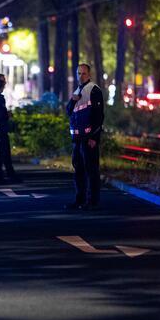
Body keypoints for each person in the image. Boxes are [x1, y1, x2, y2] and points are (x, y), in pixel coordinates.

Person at [66, 63, 104, 210]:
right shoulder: (77, 91)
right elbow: (69, 111)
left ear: (89, 75)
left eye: (83, 73)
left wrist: (95, 137)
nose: (80, 76)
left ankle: (92, 201)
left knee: (91, 170)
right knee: (79, 171)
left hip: (89, 138)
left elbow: (98, 116)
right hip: (77, 139)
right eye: (78, 73)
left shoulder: (93, 90)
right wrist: (73, 100)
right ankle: (79, 200)